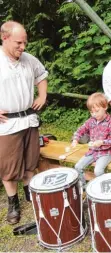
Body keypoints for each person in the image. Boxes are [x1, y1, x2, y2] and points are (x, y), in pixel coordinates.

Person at [0, 21, 48, 224]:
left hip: (29, 119)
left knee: (30, 162)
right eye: (19, 43)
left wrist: (42, 95)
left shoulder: (28, 59)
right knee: (8, 168)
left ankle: (31, 195)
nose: (23, 47)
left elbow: (42, 75)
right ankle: (13, 203)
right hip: (7, 124)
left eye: (25, 43)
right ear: (5, 38)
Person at [72, 92, 111, 187]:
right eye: (91, 112)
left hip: (106, 153)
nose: (94, 114)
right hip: (93, 151)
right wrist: (75, 139)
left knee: (98, 171)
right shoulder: (91, 121)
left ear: (105, 107)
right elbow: (81, 130)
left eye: (97, 111)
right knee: (78, 167)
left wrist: (102, 142)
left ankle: (104, 187)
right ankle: (84, 188)